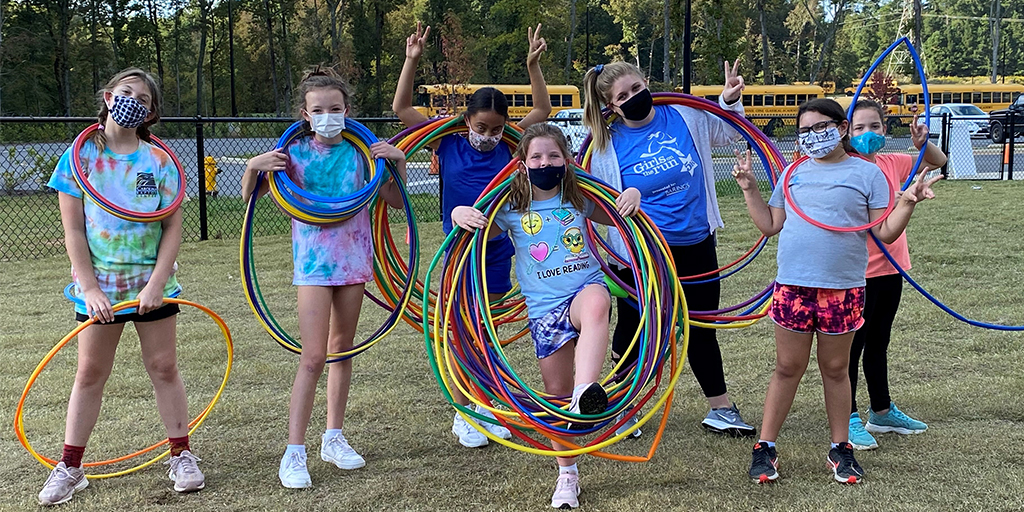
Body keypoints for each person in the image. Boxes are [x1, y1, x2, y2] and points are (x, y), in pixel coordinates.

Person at [733, 98, 941, 484]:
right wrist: (748, 189)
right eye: (805, 130)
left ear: (841, 128)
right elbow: (770, 224)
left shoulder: (868, 175)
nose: (812, 137)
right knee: (787, 368)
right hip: (794, 288)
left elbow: (883, 231)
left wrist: (908, 202)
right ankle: (765, 447)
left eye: (820, 128)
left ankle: (841, 448)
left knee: (835, 369)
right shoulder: (793, 171)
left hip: (843, 290)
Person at [40, 68, 203, 505]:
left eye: (143, 99)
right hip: (102, 288)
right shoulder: (79, 158)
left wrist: (156, 285)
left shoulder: (161, 161)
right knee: (90, 373)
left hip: (152, 286)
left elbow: (172, 229)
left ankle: (181, 455)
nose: (133, 101)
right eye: (126, 93)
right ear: (110, 97)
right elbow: (73, 231)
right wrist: (89, 288)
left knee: (164, 367)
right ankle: (71, 466)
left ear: (150, 113)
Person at [453, 123, 637, 509]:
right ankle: (567, 474)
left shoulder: (580, 199)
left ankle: (586, 391)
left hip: (582, 289)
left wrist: (632, 194)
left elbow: (621, 212)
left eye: (553, 155)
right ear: (522, 163)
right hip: (543, 310)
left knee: (597, 303)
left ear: (567, 161)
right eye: (536, 156)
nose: (545, 162)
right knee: (555, 395)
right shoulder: (508, 207)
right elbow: (474, 221)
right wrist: (458, 212)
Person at [242, 66, 408, 489]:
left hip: (354, 261)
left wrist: (398, 165)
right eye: (319, 109)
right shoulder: (292, 155)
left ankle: (333, 436)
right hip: (314, 265)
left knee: (341, 351)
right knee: (313, 356)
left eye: (335, 108)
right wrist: (251, 168)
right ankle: (293, 451)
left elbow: (392, 198)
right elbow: (252, 197)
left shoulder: (361, 154)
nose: (328, 115)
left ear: (347, 110)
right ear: (306, 114)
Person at [393, 21, 552, 448]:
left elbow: (542, 111)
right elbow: (403, 110)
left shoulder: (510, 146)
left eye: (496, 128)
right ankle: (467, 409)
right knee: (463, 326)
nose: (487, 135)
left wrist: (532, 66)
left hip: (498, 249)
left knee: (487, 326)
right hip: (460, 251)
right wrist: (411, 61)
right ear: (467, 120)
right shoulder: (446, 142)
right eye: (480, 127)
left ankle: (483, 403)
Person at [582, 60, 755, 438]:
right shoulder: (606, 147)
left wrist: (728, 100)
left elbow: (727, 133)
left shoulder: (685, 115)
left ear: (647, 82)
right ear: (611, 106)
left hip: (696, 241)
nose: (633, 98)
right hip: (643, 252)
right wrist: (621, 205)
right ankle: (623, 407)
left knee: (702, 326)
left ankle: (720, 409)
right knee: (636, 327)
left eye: (635, 88)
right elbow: (593, 205)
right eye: (622, 97)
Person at [845, 99, 946, 450]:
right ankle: (848, 418)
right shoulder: (845, 168)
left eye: (874, 127)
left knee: (879, 342)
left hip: (892, 268)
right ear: (847, 132)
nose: (868, 134)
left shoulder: (892, 162)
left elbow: (940, 162)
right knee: (850, 349)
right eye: (859, 128)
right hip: (857, 272)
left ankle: (882, 411)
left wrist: (923, 144)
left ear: (885, 131)